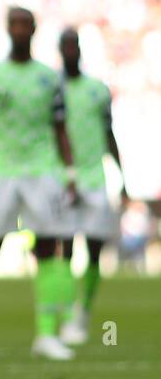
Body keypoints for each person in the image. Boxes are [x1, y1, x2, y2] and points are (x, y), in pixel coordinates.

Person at [0, 8, 77, 361]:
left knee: (47, 250)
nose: (21, 30)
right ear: (8, 29)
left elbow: (60, 129)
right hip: (3, 171)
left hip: (42, 171)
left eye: (26, 25)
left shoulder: (50, 79)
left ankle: (46, 334)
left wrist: (69, 174)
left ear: (35, 30)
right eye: (15, 24)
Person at [56, 27, 126, 345]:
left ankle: (84, 310)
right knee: (66, 250)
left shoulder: (98, 89)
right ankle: (70, 312)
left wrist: (121, 176)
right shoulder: (52, 88)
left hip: (95, 177)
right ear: (60, 50)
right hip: (63, 179)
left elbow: (109, 133)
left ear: (79, 49)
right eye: (66, 46)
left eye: (74, 45)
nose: (71, 50)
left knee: (95, 250)